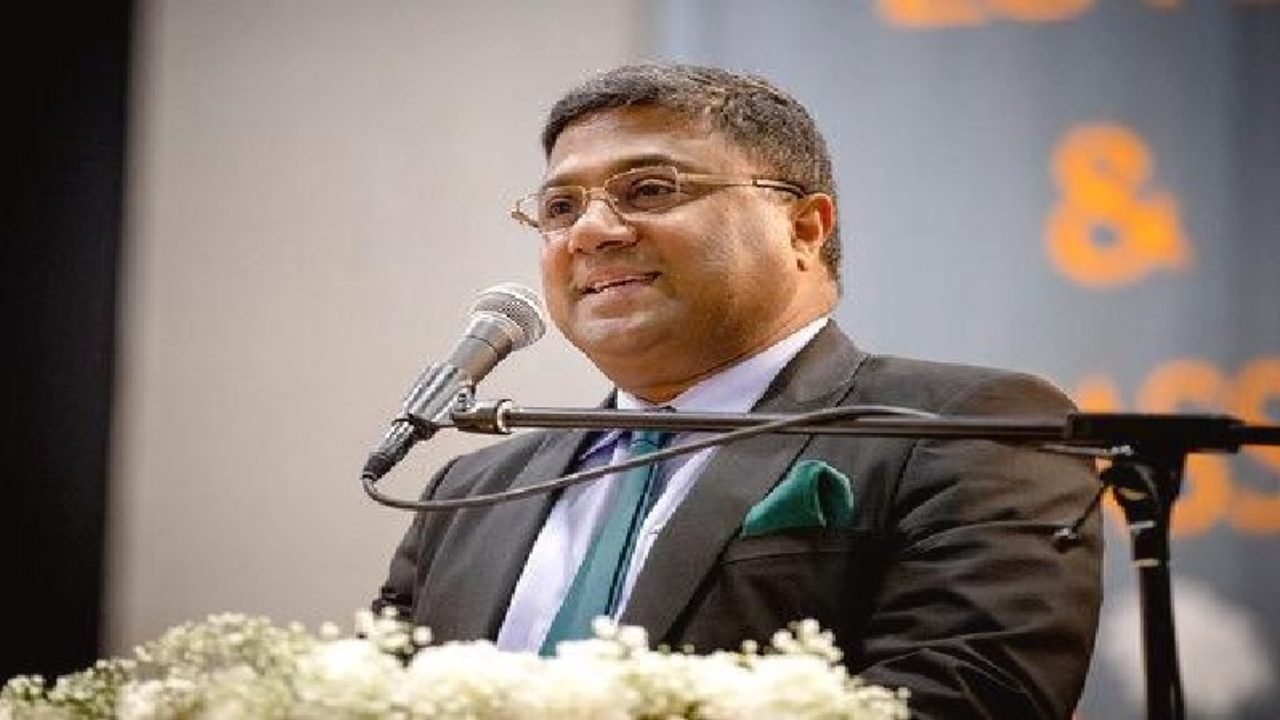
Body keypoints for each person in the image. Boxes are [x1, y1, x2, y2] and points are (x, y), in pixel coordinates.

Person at [375, 64, 1101, 719]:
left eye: (649, 190)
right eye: (560, 207)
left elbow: (972, 698)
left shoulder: (960, 428)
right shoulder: (471, 491)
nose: (590, 232)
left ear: (804, 228)